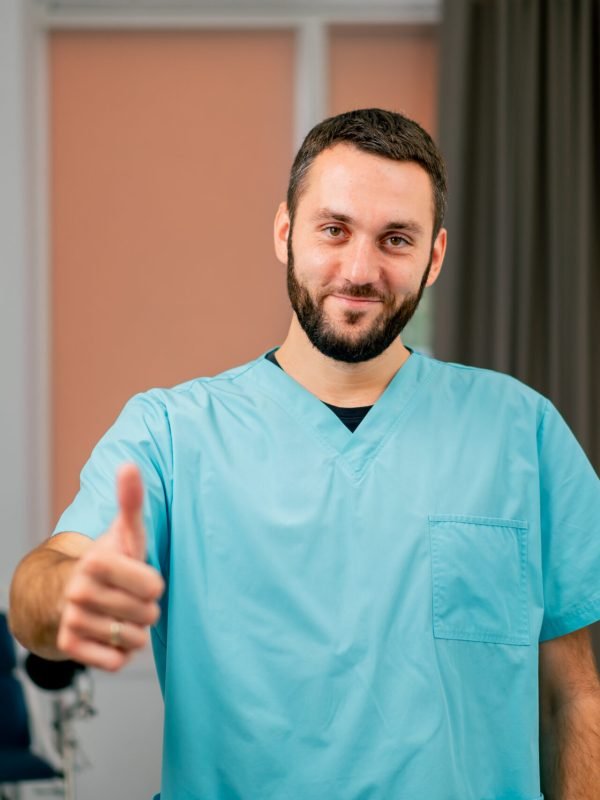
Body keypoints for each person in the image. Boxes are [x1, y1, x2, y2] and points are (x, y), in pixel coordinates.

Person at [9, 108, 600, 800]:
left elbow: (576, 696)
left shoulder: (520, 432)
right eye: (334, 229)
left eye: (396, 240)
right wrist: (66, 599)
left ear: (434, 256)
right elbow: (46, 586)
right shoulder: (172, 433)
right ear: (285, 231)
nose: (359, 269)